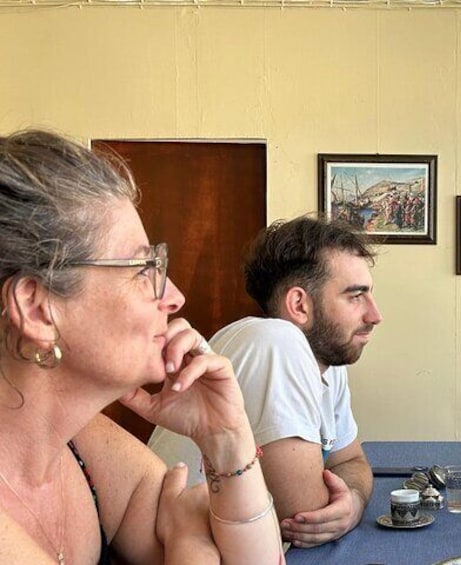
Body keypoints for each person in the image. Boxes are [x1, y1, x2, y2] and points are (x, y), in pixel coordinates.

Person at [0, 130, 283, 563]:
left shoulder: (81, 446)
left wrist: (227, 439)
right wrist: (191, 547)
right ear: (37, 310)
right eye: (141, 269)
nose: (174, 297)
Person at [149, 216, 381, 548]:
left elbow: (351, 461)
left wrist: (354, 502)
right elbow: (303, 517)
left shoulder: (327, 357)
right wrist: (346, 503)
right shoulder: (276, 343)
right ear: (300, 305)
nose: (375, 315)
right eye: (355, 296)